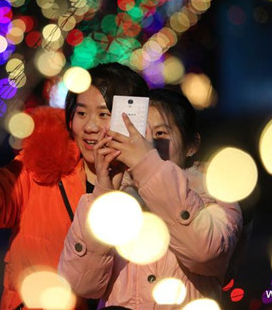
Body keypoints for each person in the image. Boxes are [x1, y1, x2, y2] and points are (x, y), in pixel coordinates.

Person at [0, 62, 149, 309]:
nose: (90, 127)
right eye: (82, 113)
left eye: (104, 114)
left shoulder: (151, 184)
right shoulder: (41, 167)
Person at [58, 88, 243, 308]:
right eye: (141, 134)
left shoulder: (214, 197)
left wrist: (148, 166)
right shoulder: (119, 199)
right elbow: (81, 284)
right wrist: (104, 193)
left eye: (161, 134)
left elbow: (204, 252)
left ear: (192, 145)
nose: (148, 144)